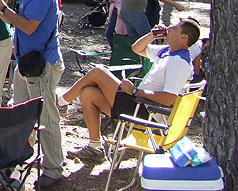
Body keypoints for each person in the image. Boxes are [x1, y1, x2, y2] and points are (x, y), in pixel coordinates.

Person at [57, 18, 201, 162]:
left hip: (146, 111)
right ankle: (95, 148)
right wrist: (152, 35)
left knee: (98, 72)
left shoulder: (180, 63)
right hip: (136, 104)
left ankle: (61, 103)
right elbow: (136, 48)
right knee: (88, 93)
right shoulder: (167, 51)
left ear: (184, 37)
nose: (168, 29)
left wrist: (135, 91)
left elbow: (168, 98)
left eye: (174, 28)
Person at [0, 0, 64, 189]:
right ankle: (18, 161)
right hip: (26, 65)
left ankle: (53, 169)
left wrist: (2, 8)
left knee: (46, 117)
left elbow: (29, 26)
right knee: (20, 115)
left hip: (42, 66)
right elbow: (18, 23)